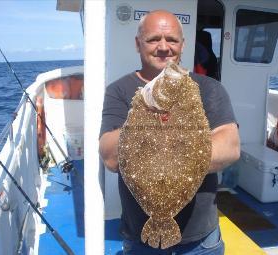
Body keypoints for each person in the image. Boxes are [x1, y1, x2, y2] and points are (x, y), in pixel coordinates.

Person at [99, 10, 240, 255]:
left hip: (201, 239)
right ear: (138, 43)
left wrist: (156, 148)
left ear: (183, 45)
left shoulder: (208, 88)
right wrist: (145, 117)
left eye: (172, 40)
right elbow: (111, 158)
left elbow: (230, 147)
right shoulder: (119, 91)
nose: (164, 47)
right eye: (154, 39)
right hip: (140, 237)